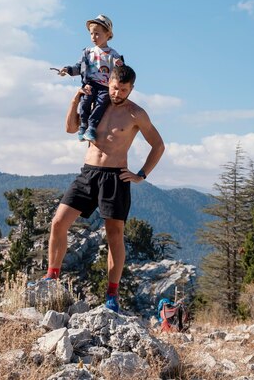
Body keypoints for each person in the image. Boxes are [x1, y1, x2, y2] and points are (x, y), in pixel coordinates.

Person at [44, 65, 165, 312]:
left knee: (114, 236)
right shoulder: (95, 102)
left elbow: (158, 145)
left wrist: (141, 174)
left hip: (115, 177)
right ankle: (51, 277)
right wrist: (75, 99)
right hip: (88, 172)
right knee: (58, 222)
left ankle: (112, 295)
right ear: (107, 82)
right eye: (113, 87)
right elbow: (70, 128)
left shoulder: (135, 114)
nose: (117, 93)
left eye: (123, 89)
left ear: (131, 89)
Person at [58, 14, 124, 143]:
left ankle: (92, 128)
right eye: (91, 34)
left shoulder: (113, 54)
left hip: (105, 86)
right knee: (85, 101)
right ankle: (83, 126)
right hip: (90, 83)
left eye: (97, 34)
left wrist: (120, 65)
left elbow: (121, 71)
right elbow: (79, 67)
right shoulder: (88, 52)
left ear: (108, 34)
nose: (93, 37)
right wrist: (68, 69)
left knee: (101, 103)